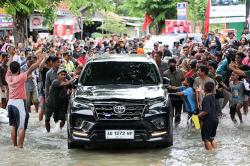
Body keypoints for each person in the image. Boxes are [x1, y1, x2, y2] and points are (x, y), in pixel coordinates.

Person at [5, 49, 44, 148]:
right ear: (18, 69)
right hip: (19, 104)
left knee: (13, 126)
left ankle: (14, 146)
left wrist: (10, 55)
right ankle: (20, 148)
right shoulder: (21, 77)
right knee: (22, 127)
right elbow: (31, 68)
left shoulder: (8, 77)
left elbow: (9, 66)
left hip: (10, 104)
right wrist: (39, 60)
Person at [45, 67, 72, 132]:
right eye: (61, 74)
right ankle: (48, 133)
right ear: (58, 75)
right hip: (50, 104)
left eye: (64, 75)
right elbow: (64, 84)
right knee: (47, 120)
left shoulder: (67, 82)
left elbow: (71, 87)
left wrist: (70, 90)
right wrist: (73, 78)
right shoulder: (55, 82)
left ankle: (58, 130)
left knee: (63, 120)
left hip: (60, 105)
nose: (63, 76)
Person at [197, 82, 219, 150]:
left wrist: (197, 116)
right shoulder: (214, 97)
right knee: (211, 138)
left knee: (206, 139)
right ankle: (214, 151)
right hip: (215, 120)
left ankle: (209, 155)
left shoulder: (206, 98)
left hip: (208, 120)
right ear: (212, 89)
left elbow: (206, 111)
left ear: (205, 88)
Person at [164, 58, 184, 124]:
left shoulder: (180, 72)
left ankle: (177, 125)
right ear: (168, 65)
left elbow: (183, 82)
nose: (172, 66)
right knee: (170, 114)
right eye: (170, 65)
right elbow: (165, 84)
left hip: (179, 96)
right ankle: (171, 127)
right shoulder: (165, 73)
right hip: (170, 96)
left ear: (175, 65)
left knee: (178, 114)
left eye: (173, 64)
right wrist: (171, 87)